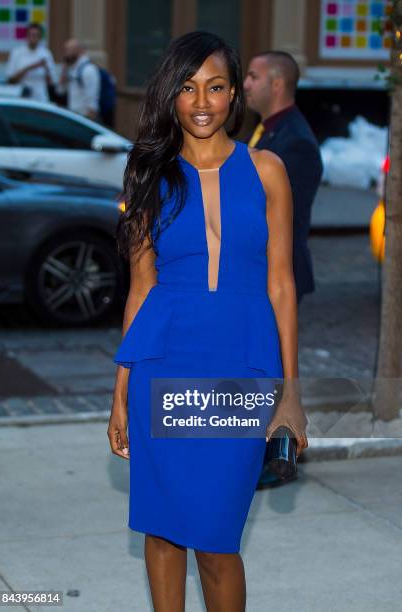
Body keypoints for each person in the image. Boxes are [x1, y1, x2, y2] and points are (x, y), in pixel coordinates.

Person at [107, 31, 308, 611]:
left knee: (219, 541)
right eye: (188, 88)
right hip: (162, 363)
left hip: (241, 369)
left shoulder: (267, 170)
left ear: (233, 94)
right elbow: (142, 289)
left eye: (216, 87)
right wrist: (121, 390)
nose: (202, 102)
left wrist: (290, 392)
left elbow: (281, 285)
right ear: (170, 96)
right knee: (164, 529)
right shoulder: (149, 174)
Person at [244, 51, 323, 490]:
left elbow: (283, 225)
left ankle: (275, 459)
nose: (246, 83)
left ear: (276, 83)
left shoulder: (295, 143)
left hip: (278, 277)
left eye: (254, 76)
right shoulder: (268, 131)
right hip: (257, 277)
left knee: (272, 373)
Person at [5, 22, 57, 103]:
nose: (34, 38)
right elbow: (10, 80)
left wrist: (46, 68)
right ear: (26, 36)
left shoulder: (46, 53)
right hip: (21, 99)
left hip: (41, 99)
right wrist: (30, 67)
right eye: (31, 35)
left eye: (36, 35)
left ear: (40, 37)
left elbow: (52, 83)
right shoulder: (17, 52)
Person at [57, 39, 101, 121]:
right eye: (65, 50)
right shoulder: (72, 69)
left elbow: (92, 104)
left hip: (84, 119)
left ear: (79, 50)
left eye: (68, 50)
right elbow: (60, 91)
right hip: (74, 117)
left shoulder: (88, 70)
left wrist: (88, 123)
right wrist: (64, 69)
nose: (65, 53)